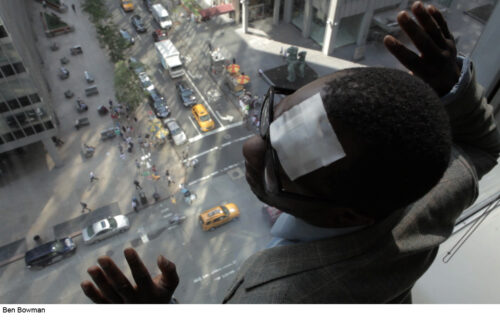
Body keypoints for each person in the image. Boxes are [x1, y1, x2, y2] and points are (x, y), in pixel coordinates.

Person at [80, 2, 500, 304]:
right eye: (272, 120)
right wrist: (450, 85)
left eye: (278, 167)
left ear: (347, 216)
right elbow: (481, 146)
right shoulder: (444, 185)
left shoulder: (281, 302)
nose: (249, 147)